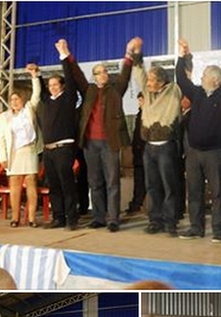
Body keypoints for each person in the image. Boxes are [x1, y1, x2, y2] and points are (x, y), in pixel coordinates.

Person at [57, 38, 137, 232]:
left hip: (110, 143)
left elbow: (125, 76)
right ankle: (99, 217)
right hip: (90, 143)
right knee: (95, 182)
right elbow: (75, 75)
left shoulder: (115, 90)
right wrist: (65, 54)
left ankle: (113, 219)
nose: (103, 75)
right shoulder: (89, 90)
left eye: (105, 72)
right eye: (99, 73)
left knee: (112, 182)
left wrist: (128, 54)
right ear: (94, 77)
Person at [176, 38, 221, 243]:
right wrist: (182, 56)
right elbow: (181, 80)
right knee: (194, 191)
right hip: (194, 151)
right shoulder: (197, 94)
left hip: (215, 152)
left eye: (204, 76)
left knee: (217, 193)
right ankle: (196, 227)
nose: (201, 78)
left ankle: (219, 230)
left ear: (215, 80)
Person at [132, 37, 182, 237]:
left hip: (166, 147)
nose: (149, 83)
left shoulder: (174, 91)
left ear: (162, 82)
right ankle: (155, 220)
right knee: (152, 186)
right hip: (149, 147)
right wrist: (137, 52)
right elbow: (139, 73)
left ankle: (171, 222)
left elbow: (184, 75)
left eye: (153, 80)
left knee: (169, 186)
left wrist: (184, 54)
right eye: (149, 79)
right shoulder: (147, 90)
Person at [38, 42, 79, 231]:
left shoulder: (68, 97)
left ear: (62, 86)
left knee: (66, 184)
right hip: (48, 151)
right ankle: (58, 217)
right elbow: (42, 90)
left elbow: (70, 78)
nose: (53, 87)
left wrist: (63, 55)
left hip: (64, 148)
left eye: (56, 84)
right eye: (50, 85)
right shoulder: (47, 101)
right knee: (54, 185)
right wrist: (37, 75)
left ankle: (71, 220)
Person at [0, 64, 42, 228]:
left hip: (29, 151)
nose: (14, 102)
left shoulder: (29, 109)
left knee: (31, 183)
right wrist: (3, 158)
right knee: (14, 185)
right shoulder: (4, 117)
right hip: (13, 154)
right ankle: (15, 218)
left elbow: (36, 95)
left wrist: (34, 77)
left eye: (17, 99)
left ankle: (31, 218)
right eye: (12, 100)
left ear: (22, 100)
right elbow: (1, 139)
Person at [125, 93, 146, 214]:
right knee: (139, 180)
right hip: (138, 153)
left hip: (144, 152)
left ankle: (138, 203)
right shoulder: (139, 114)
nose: (140, 103)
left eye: (141, 100)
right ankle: (136, 203)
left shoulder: (146, 115)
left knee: (143, 180)